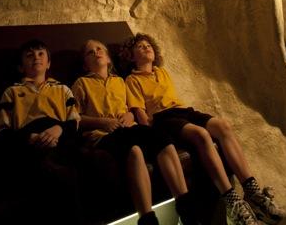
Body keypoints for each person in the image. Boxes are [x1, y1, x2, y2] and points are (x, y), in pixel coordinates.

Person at [123, 33, 285, 225]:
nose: (146, 47)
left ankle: (254, 194)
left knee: (222, 126)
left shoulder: (162, 72)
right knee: (201, 134)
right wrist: (151, 136)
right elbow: (140, 112)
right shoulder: (131, 80)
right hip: (163, 118)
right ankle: (233, 202)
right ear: (131, 56)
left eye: (148, 45)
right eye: (140, 46)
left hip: (183, 111)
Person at [71, 39, 199, 225]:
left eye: (100, 49)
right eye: (90, 52)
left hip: (127, 129)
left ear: (108, 59)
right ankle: (147, 218)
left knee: (161, 138)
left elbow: (130, 109)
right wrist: (102, 122)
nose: (96, 52)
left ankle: (186, 207)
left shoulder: (120, 82)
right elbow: (75, 118)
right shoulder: (81, 83)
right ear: (85, 64)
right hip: (102, 135)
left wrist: (129, 117)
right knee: (134, 150)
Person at [0, 38, 81, 220]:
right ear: (20, 67)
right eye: (29, 55)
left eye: (41, 54)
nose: (36, 58)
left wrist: (58, 129)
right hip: (28, 141)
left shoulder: (63, 89)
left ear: (48, 63)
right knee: (48, 170)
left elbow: (74, 121)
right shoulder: (12, 92)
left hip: (60, 138)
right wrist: (29, 138)